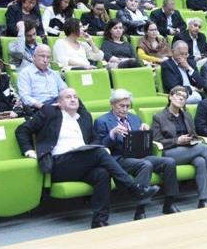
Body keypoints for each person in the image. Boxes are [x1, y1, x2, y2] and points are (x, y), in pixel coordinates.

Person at [16, 88, 160, 228]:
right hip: (60, 163)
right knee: (101, 153)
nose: (73, 99)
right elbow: (22, 130)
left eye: (75, 96)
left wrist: (99, 147)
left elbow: (95, 139)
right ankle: (132, 188)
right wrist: (29, 151)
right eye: (68, 97)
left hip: (81, 162)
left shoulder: (84, 117)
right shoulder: (49, 113)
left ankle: (99, 221)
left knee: (102, 174)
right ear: (59, 102)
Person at [151, 86, 207, 208]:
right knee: (203, 148)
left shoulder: (187, 115)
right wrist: (177, 141)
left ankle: (203, 200)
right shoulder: (159, 117)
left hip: (188, 149)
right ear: (170, 96)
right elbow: (157, 140)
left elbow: (194, 134)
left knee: (201, 161)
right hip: (169, 152)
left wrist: (191, 140)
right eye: (178, 95)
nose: (181, 98)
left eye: (184, 97)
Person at [94, 89, 181, 218]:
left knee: (169, 162)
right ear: (112, 104)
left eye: (127, 106)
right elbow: (101, 148)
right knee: (145, 164)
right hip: (118, 158)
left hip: (138, 154)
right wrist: (112, 134)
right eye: (121, 106)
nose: (124, 109)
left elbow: (144, 143)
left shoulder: (135, 118)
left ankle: (169, 203)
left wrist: (145, 132)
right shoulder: (102, 121)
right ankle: (141, 208)